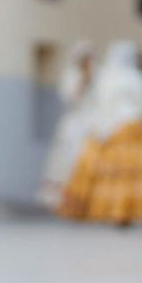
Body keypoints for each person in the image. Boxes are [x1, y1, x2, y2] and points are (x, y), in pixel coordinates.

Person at [59, 41, 142, 226]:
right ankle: (131, 210)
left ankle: (109, 209)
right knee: (136, 172)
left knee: (110, 172)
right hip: (136, 127)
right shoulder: (138, 78)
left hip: (113, 127)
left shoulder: (107, 78)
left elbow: (102, 104)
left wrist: (102, 127)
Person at [38, 41, 96, 210]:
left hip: (90, 123)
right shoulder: (71, 76)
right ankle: (62, 199)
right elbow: (70, 98)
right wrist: (83, 81)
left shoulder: (95, 77)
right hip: (73, 125)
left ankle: (85, 199)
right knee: (67, 160)